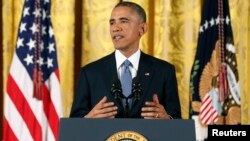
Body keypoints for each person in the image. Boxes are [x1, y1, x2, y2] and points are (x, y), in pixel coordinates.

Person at [70, 1, 181, 119]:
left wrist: (167, 119)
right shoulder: (90, 73)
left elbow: (177, 124)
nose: (115, 28)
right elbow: (74, 125)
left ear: (142, 29)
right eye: (112, 23)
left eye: (123, 21)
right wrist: (88, 119)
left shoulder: (164, 71)